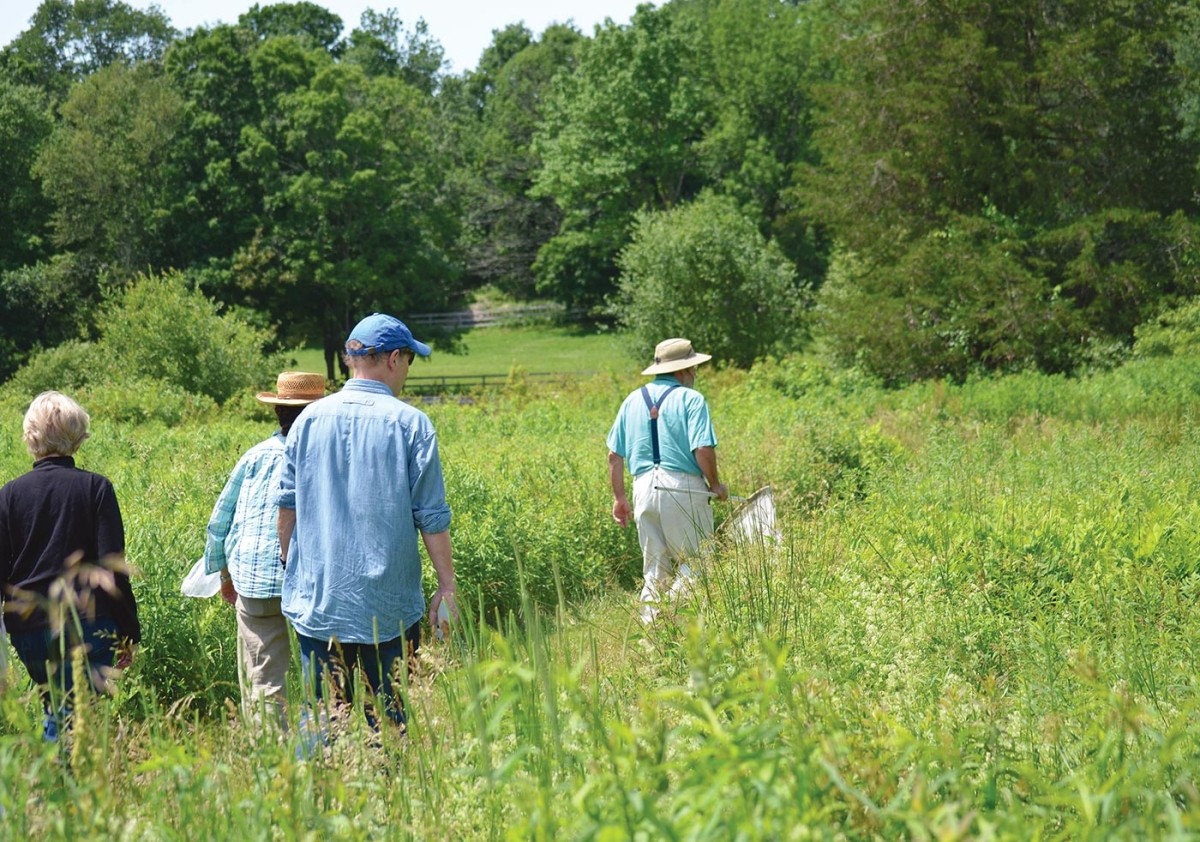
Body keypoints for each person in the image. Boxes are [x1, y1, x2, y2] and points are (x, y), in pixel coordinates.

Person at [277, 313, 456, 730]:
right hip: (388, 605)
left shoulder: (307, 420)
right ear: (394, 359)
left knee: (322, 720)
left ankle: (319, 792)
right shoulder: (411, 424)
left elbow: (286, 506)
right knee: (389, 719)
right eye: (410, 361)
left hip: (319, 600)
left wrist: (292, 566)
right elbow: (430, 516)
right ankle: (390, 789)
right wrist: (446, 585)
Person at [0, 391, 140, 741]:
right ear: (78, 436)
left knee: (60, 709)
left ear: (31, 435)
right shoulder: (96, 488)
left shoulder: (8, 494)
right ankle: (60, 789)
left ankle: (60, 785)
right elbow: (113, 569)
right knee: (74, 719)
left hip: (27, 628)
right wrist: (129, 631)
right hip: (86, 624)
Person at [202, 371, 325, 725]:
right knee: (323, 674)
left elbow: (220, 522)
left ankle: (270, 759)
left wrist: (225, 574)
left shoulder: (255, 456)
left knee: (264, 679)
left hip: (255, 582)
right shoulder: (326, 460)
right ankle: (328, 747)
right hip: (314, 583)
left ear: (277, 412)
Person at [607, 338, 728, 623]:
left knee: (654, 569)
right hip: (683, 488)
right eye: (694, 368)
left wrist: (619, 499)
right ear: (684, 370)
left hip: (642, 489)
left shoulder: (632, 400)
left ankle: (651, 637)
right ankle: (669, 617)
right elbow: (703, 449)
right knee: (697, 564)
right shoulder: (691, 399)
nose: (695, 374)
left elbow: (614, 455)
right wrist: (715, 485)